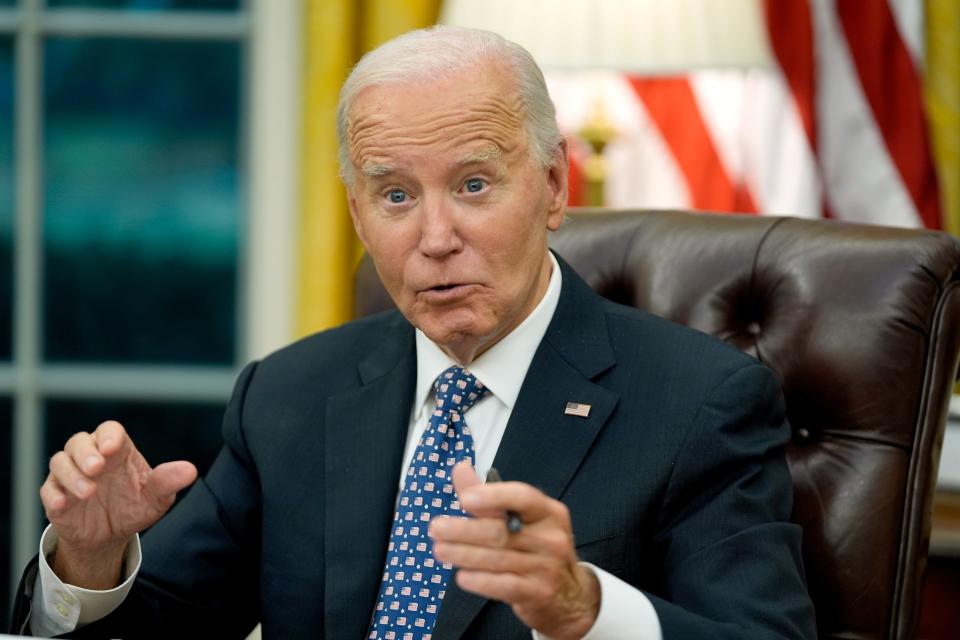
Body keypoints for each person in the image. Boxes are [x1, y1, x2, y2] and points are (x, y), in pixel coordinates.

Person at [11, 26, 816, 639]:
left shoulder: (699, 401)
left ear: (553, 187)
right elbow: (158, 622)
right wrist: (89, 561)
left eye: (472, 184)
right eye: (395, 195)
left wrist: (585, 610)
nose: (435, 237)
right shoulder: (289, 395)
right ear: (359, 216)